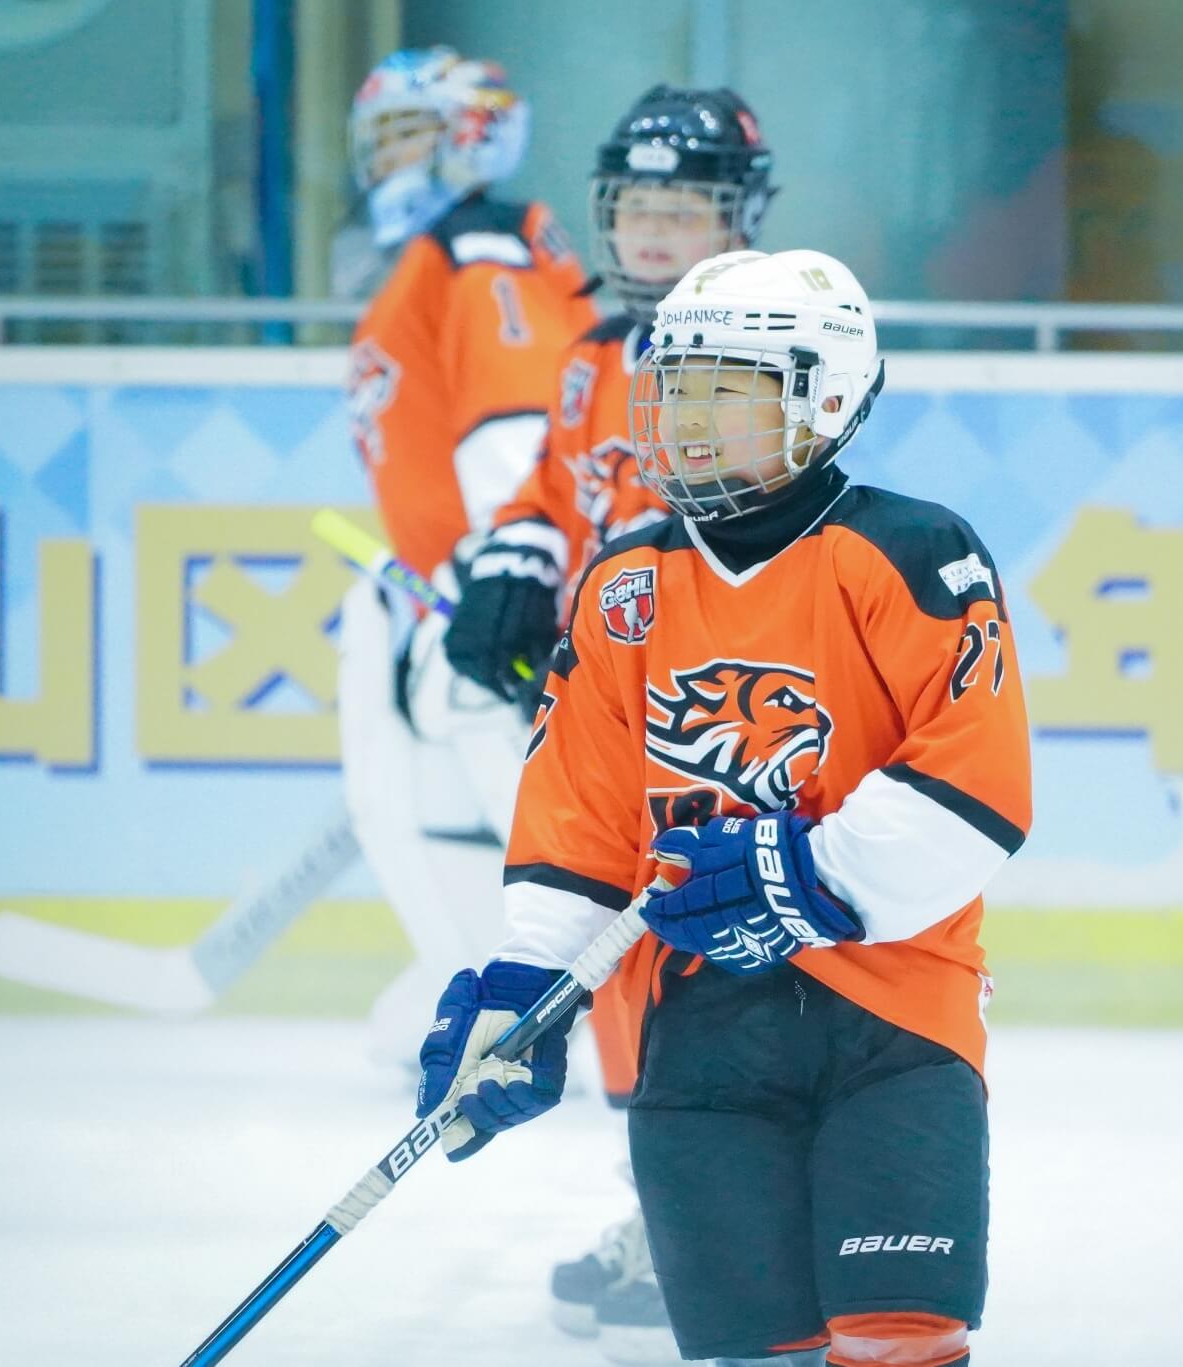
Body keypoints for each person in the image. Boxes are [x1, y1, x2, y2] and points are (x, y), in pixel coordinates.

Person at [416, 249, 1030, 1367]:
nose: (688, 417)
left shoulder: (909, 550)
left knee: (898, 1341)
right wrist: (522, 991)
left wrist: (798, 873)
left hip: (895, 1023)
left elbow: (975, 786)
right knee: (754, 1351)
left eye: (727, 386)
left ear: (822, 397)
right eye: (677, 384)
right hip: (692, 1041)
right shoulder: (622, 583)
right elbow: (579, 822)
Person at [438, 85, 777, 1356]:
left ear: (736, 215)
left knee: (712, 996)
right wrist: (517, 565)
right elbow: (552, 488)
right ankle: (679, 1222)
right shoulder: (594, 356)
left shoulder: (765, 357)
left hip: (714, 732)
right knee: (620, 988)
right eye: (634, 205)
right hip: (610, 729)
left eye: (679, 205)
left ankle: (719, 1230)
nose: (648, 232)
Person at [338, 46, 592, 1065]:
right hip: (442, 593)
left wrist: (505, 568)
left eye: (409, 131)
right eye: (381, 140)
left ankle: (562, 1022)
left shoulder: (479, 246)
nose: (388, 160)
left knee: (522, 821)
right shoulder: (442, 252)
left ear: (471, 130)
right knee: (428, 824)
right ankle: (489, 1015)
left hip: (478, 603)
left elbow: (515, 420)